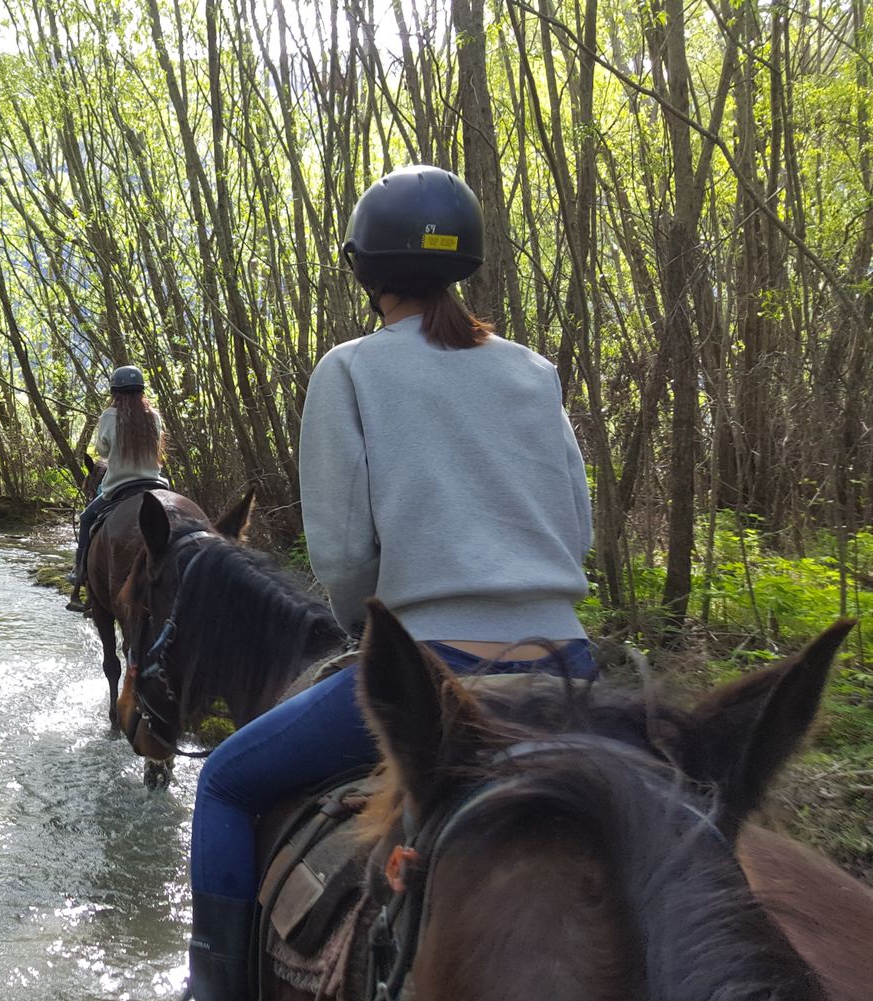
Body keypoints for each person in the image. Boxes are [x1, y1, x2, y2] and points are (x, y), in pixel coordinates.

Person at [183, 165, 597, 1001]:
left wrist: (367, 636)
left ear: (363, 271)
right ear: (465, 266)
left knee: (223, 783)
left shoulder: (351, 370)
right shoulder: (534, 372)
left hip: (434, 676)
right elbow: (578, 530)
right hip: (568, 672)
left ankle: (214, 991)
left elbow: (340, 559)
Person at [65, 365, 165, 613]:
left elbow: (103, 452)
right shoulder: (154, 416)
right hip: (156, 484)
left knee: (87, 518)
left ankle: (80, 574)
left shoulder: (110, 416)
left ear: (115, 392)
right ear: (141, 391)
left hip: (119, 485)